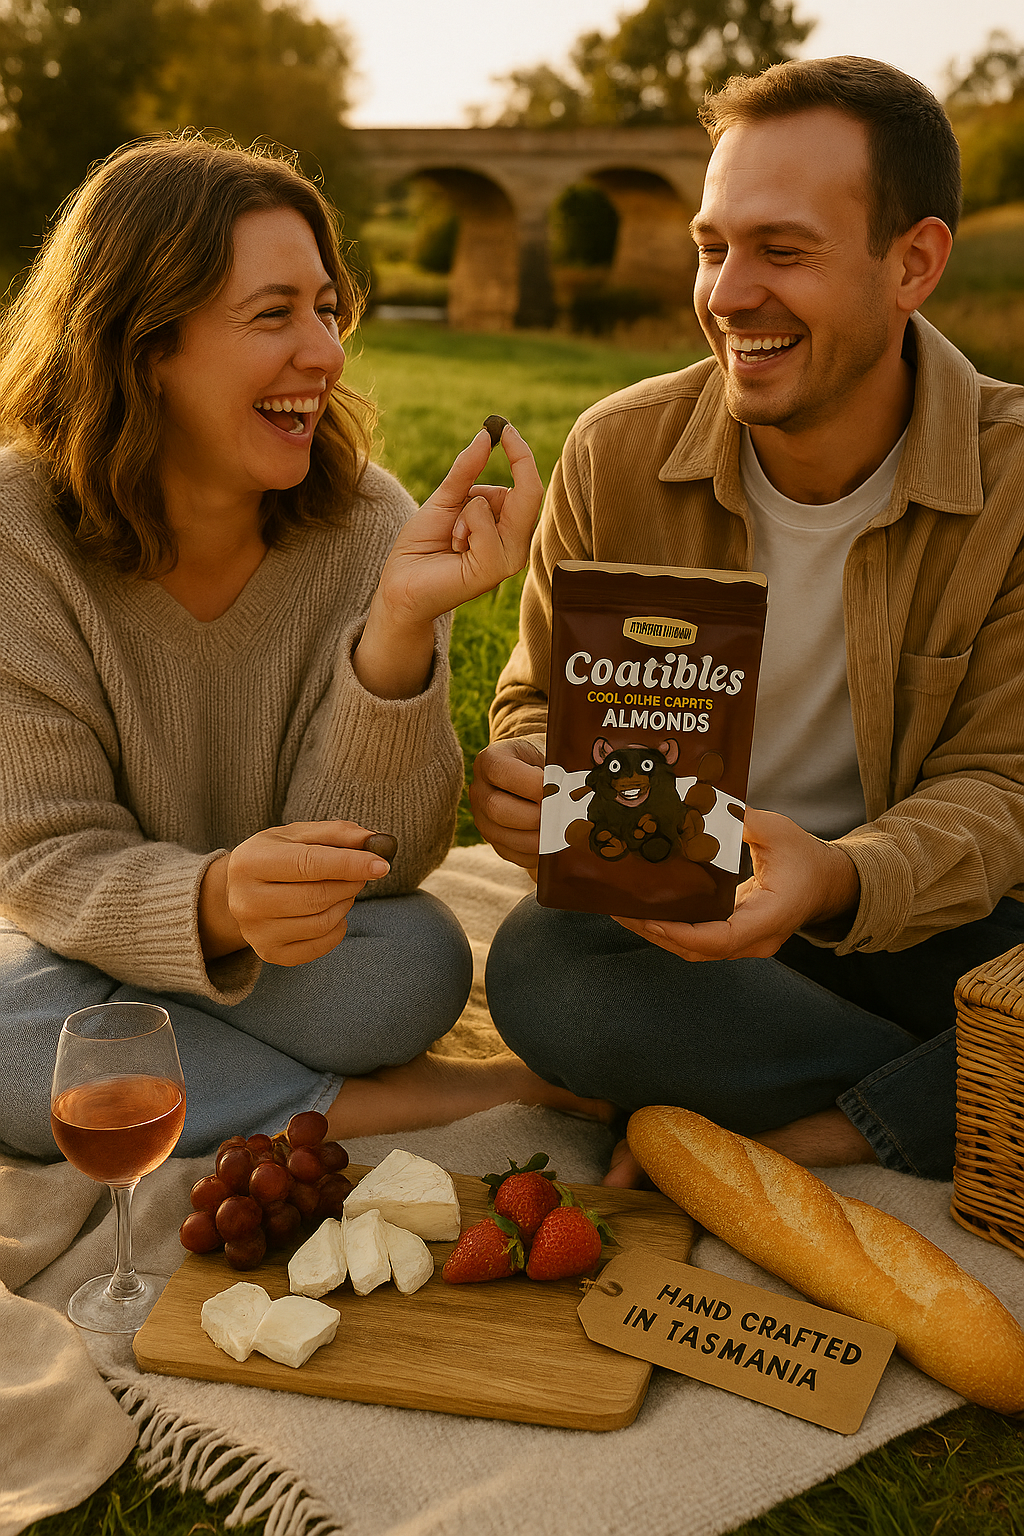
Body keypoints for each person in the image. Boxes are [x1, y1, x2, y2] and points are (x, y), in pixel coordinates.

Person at [0, 135, 609, 1160]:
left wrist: (399, 631)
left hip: (301, 961)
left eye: (326, 309)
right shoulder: (17, 531)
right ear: (146, 344)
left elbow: (387, 859)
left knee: (412, 964)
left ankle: (202, 1071)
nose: (326, 352)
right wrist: (212, 901)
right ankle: (372, 1105)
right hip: (98, 934)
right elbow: (42, 858)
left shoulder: (371, 522)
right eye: (273, 314)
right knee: (13, 1051)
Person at [472, 56, 1024, 1187]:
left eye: (782, 251)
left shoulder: (1013, 473)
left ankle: (821, 1130)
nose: (725, 296)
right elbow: (535, 695)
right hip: (684, 904)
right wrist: (526, 766)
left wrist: (831, 876)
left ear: (912, 263)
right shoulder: (615, 451)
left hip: (933, 917)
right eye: (713, 248)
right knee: (540, 967)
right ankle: (967, 1096)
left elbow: (1003, 790)